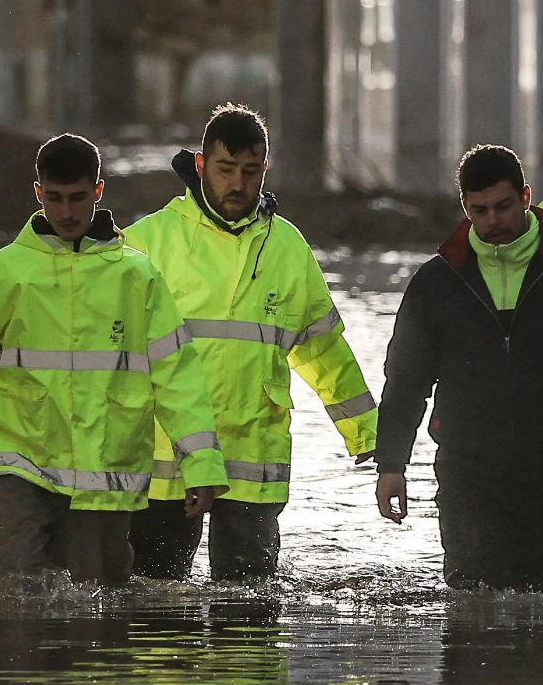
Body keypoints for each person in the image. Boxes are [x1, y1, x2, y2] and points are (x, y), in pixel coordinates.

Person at [0, 134, 227, 584]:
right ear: (39, 194)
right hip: (15, 467)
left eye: (77, 198)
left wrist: (201, 465)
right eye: (54, 199)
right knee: (7, 601)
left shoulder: (138, 278)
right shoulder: (7, 272)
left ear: (98, 191)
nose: (67, 212)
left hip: (104, 474)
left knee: (99, 620)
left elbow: (179, 377)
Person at [123, 103, 377, 580]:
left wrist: (365, 431)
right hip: (163, 460)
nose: (238, 184)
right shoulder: (146, 243)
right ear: (200, 166)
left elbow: (322, 348)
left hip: (252, 459)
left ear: (265, 168)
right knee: (153, 620)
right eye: (225, 170)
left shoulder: (287, 248)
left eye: (250, 170)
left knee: (248, 620)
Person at [374, 144, 543, 590]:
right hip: (467, 473)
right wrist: (391, 465)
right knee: (469, 607)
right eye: (479, 211)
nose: (492, 221)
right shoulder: (438, 282)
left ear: (526, 197)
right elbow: (405, 381)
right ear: (465, 208)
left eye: (503, 207)